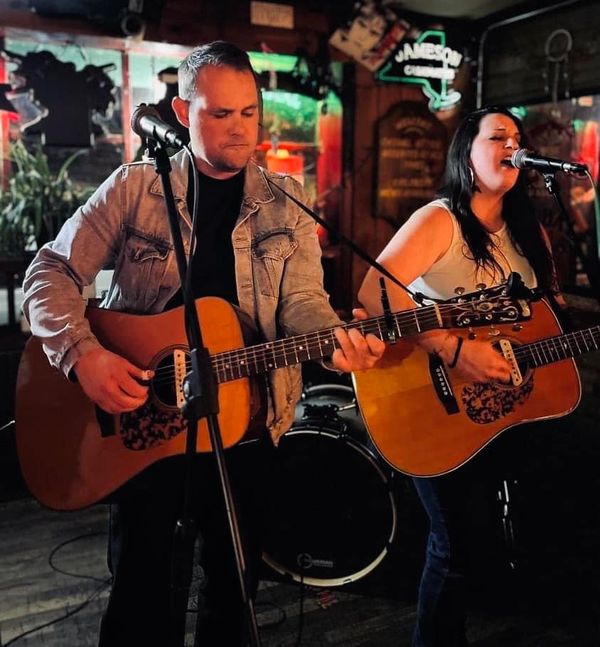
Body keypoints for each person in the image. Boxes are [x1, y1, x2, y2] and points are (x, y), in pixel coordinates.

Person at [22, 40, 384, 646]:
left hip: (247, 425)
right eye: (220, 114)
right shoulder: (135, 188)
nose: (239, 129)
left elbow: (302, 300)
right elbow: (50, 271)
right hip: (144, 423)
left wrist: (331, 342)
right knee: (141, 592)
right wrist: (83, 354)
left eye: (249, 112)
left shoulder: (286, 200)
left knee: (232, 592)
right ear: (182, 112)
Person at [358, 106, 567, 646]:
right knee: (454, 546)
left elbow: (545, 320)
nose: (512, 146)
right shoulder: (440, 220)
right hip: (436, 402)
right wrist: (451, 349)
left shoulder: (530, 232)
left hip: (503, 413)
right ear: (466, 154)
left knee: (508, 536)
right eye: (497, 137)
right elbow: (375, 293)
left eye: (516, 138)